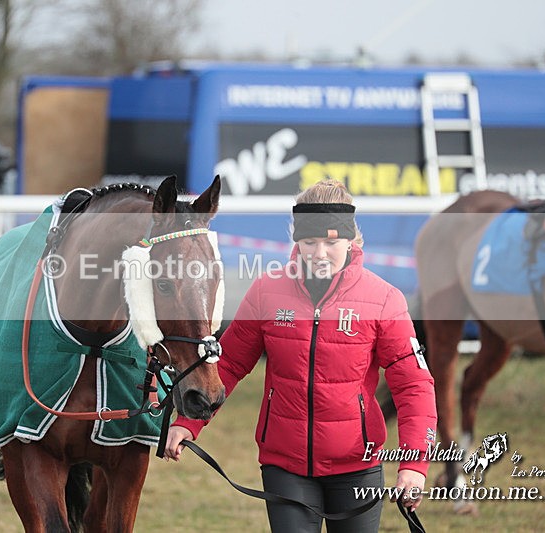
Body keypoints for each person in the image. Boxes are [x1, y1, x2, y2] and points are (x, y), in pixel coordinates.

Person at [165, 179, 437, 532]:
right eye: (309, 242)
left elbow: (414, 386)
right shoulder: (267, 291)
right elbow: (229, 363)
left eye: (331, 242)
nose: (320, 253)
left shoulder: (384, 300)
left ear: (352, 239)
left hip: (358, 467)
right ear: (296, 240)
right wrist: (189, 422)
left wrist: (414, 464)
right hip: (285, 467)